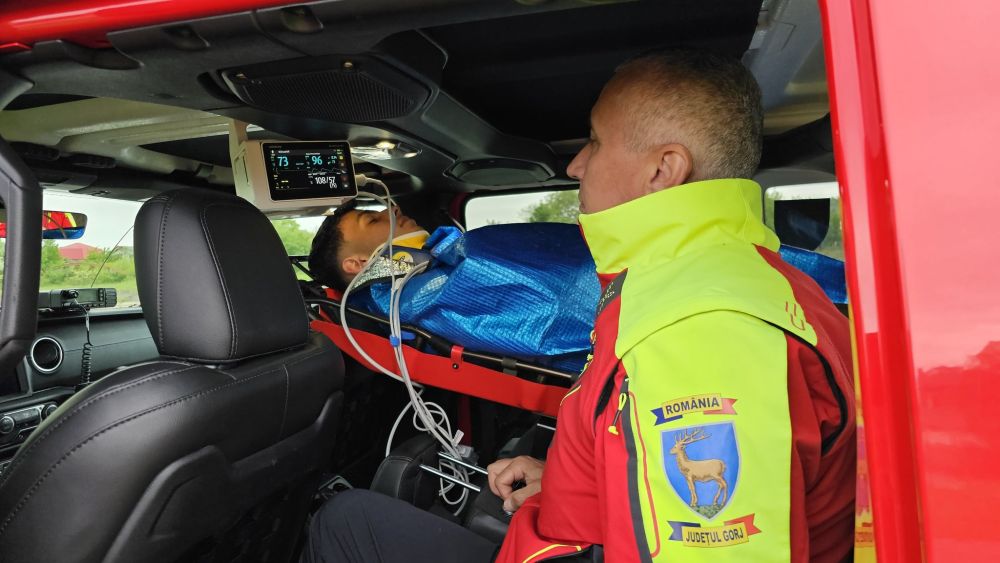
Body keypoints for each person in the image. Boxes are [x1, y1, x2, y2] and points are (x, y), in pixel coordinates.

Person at [301, 48, 856, 563]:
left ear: (663, 169)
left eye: (594, 142)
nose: (575, 166)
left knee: (341, 520)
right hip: (575, 526)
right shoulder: (702, 281)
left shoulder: (698, 329)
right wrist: (573, 478)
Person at [308, 201, 602, 372]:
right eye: (372, 220)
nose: (392, 209)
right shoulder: (404, 299)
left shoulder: (429, 269)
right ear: (358, 264)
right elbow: (559, 299)